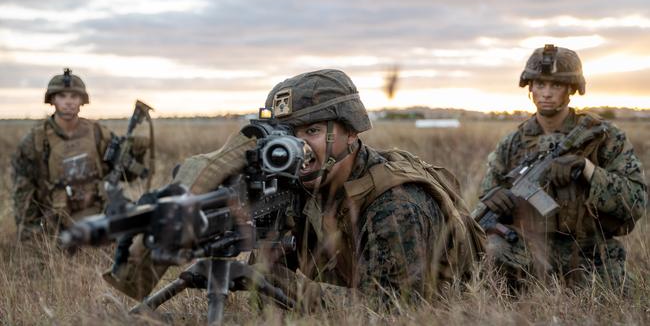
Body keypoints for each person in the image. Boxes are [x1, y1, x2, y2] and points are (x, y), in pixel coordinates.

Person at [105, 69, 484, 311]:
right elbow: (270, 291)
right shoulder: (302, 183)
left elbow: (395, 310)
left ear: (351, 131)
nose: (298, 150)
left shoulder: (396, 203)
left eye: (313, 132)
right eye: (289, 136)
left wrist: (277, 284)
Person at [478, 45, 647, 292]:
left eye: (555, 85)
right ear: (530, 87)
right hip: (529, 249)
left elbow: (636, 202)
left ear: (571, 90)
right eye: (539, 84)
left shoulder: (603, 138)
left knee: (609, 297)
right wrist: (495, 197)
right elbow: (489, 194)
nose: (546, 93)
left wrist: (588, 170)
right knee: (489, 252)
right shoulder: (513, 143)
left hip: (590, 252)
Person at [11, 68, 150, 241]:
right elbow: (23, 192)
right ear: (52, 100)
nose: (68, 102)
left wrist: (136, 152)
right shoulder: (36, 141)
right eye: (62, 96)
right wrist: (30, 235)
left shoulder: (98, 133)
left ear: (82, 100)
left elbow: (125, 175)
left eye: (74, 96)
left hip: (99, 214)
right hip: (57, 223)